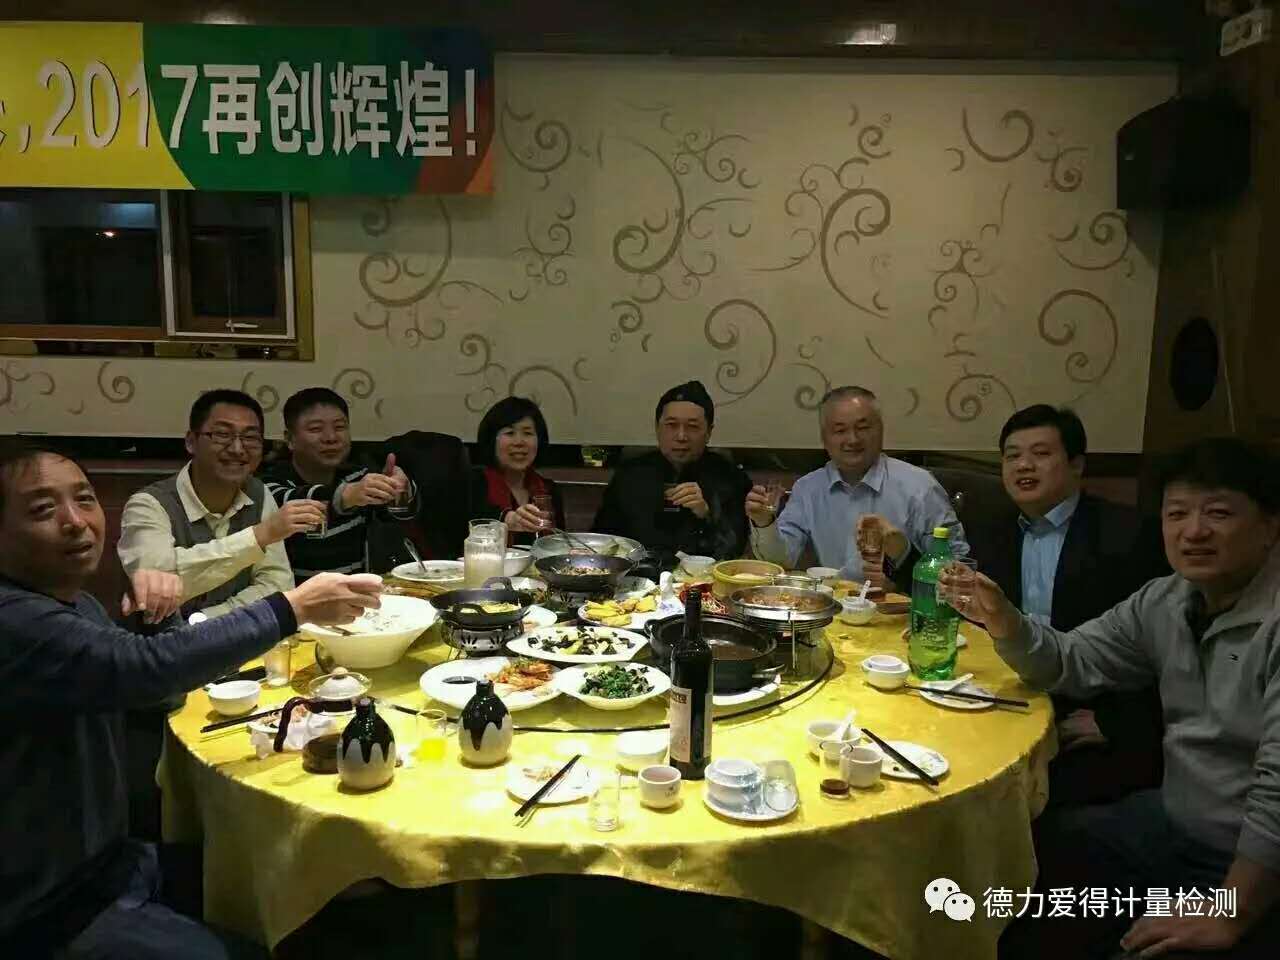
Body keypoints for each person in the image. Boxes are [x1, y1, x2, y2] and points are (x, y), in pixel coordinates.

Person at [0, 439, 382, 959]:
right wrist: (293, 608)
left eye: (84, 499)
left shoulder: (75, 602)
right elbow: (140, 669)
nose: (75, 521)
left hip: (115, 861)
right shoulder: (16, 620)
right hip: (48, 908)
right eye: (43, 509)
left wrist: (159, 616)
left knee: (310, 883)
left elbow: (150, 686)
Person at [952, 438, 1280, 960]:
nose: (1193, 531)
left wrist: (1231, 911)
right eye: (1177, 513)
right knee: (1024, 859)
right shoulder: (1165, 600)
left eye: (1218, 513)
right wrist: (1005, 621)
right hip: (1173, 819)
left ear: (1269, 527)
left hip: (1247, 864)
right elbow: (1071, 660)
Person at [982, 404, 1167, 807]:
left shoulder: (1130, 534)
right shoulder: (991, 528)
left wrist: (1118, 722)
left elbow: (1164, 647)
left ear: (1077, 465)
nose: (1023, 465)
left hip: (1090, 708)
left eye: (1041, 453)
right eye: (1012, 456)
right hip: (1011, 692)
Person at [118, 389, 319, 620]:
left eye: (250, 437)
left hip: (239, 637)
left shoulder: (258, 494)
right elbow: (156, 586)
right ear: (191, 442)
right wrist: (258, 536)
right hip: (162, 640)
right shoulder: (148, 505)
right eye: (222, 434)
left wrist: (206, 620)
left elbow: (276, 584)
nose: (237, 449)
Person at [746, 386, 965, 587]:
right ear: (824, 438)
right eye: (840, 430)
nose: (852, 439)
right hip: (833, 607)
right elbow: (782, 560)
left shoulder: (920, 487)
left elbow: (957, 567)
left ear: (881, 430)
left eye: (863, 427)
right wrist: (765, 523)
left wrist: (900, 562)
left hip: (901, 608)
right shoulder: (808, 488)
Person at [262, 387, 417, 579]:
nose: (331, 438)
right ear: (290, 439)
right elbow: (293, 502)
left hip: (358, 590)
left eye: (340, 427)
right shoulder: (269, 483)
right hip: (296, 595)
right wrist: (346, 496)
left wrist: (400, 491)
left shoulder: (357, 476)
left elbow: (397, 517)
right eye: (315, 429)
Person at [593, 380, 751, 565]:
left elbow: (735, 551)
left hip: (702, 578)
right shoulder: (630, 475)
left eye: (693, 426)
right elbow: (603, 542)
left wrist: (706, 515)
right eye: (671, 425)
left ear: (709, 432)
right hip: (638, 577)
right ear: (657, 428)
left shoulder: (731, 477)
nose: (681, 436)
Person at [468, 395, 566, 544]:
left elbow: (559, 545)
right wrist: (507, 519)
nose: (519, 442)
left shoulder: (549, 490)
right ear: (491, 440)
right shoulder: (472, 483)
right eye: (509, 433)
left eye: (527, 433)